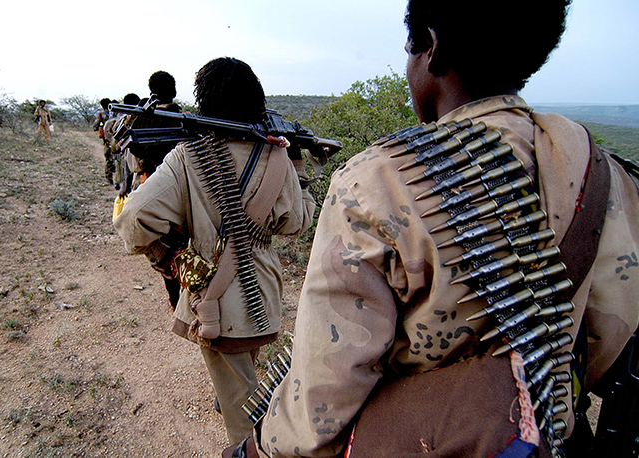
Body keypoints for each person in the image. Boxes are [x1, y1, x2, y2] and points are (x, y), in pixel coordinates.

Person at [230, 1, 639, 457]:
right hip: (550, 439)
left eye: (410, 48)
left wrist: (257, 448)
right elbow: (614, 336)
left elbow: (322, 403)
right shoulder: (598, 166)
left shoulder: (376, 183)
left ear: (432, 48)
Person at [114, 57, 316, 445]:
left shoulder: (187, 157)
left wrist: (167, 254)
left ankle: (253, 446)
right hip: (263, 296)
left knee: (245, 420)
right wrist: (300, 168)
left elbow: (132, 220)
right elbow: (298, 223)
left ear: (203, 103)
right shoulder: (276, 155)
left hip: (216, 303)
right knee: (244, 383)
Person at [94, 98, 116, 184]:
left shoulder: (101, 115)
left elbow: (95, 127)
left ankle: (109, 177)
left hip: (107, 141)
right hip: (116, 140)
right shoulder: (115, 113)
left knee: (109, 159)